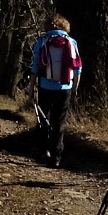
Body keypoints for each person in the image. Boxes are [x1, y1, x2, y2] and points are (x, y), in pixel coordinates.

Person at [28, 14, 82, 167]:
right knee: (58, 122)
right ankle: (57, 156)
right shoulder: (71, 42)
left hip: (45, 87)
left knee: (44, 119)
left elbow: (35, 67)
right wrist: (75, 87)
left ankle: (43, 150)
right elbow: (78, 68)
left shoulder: (42, 41)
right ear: (65, 27)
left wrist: (31, 87)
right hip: (65, 87)